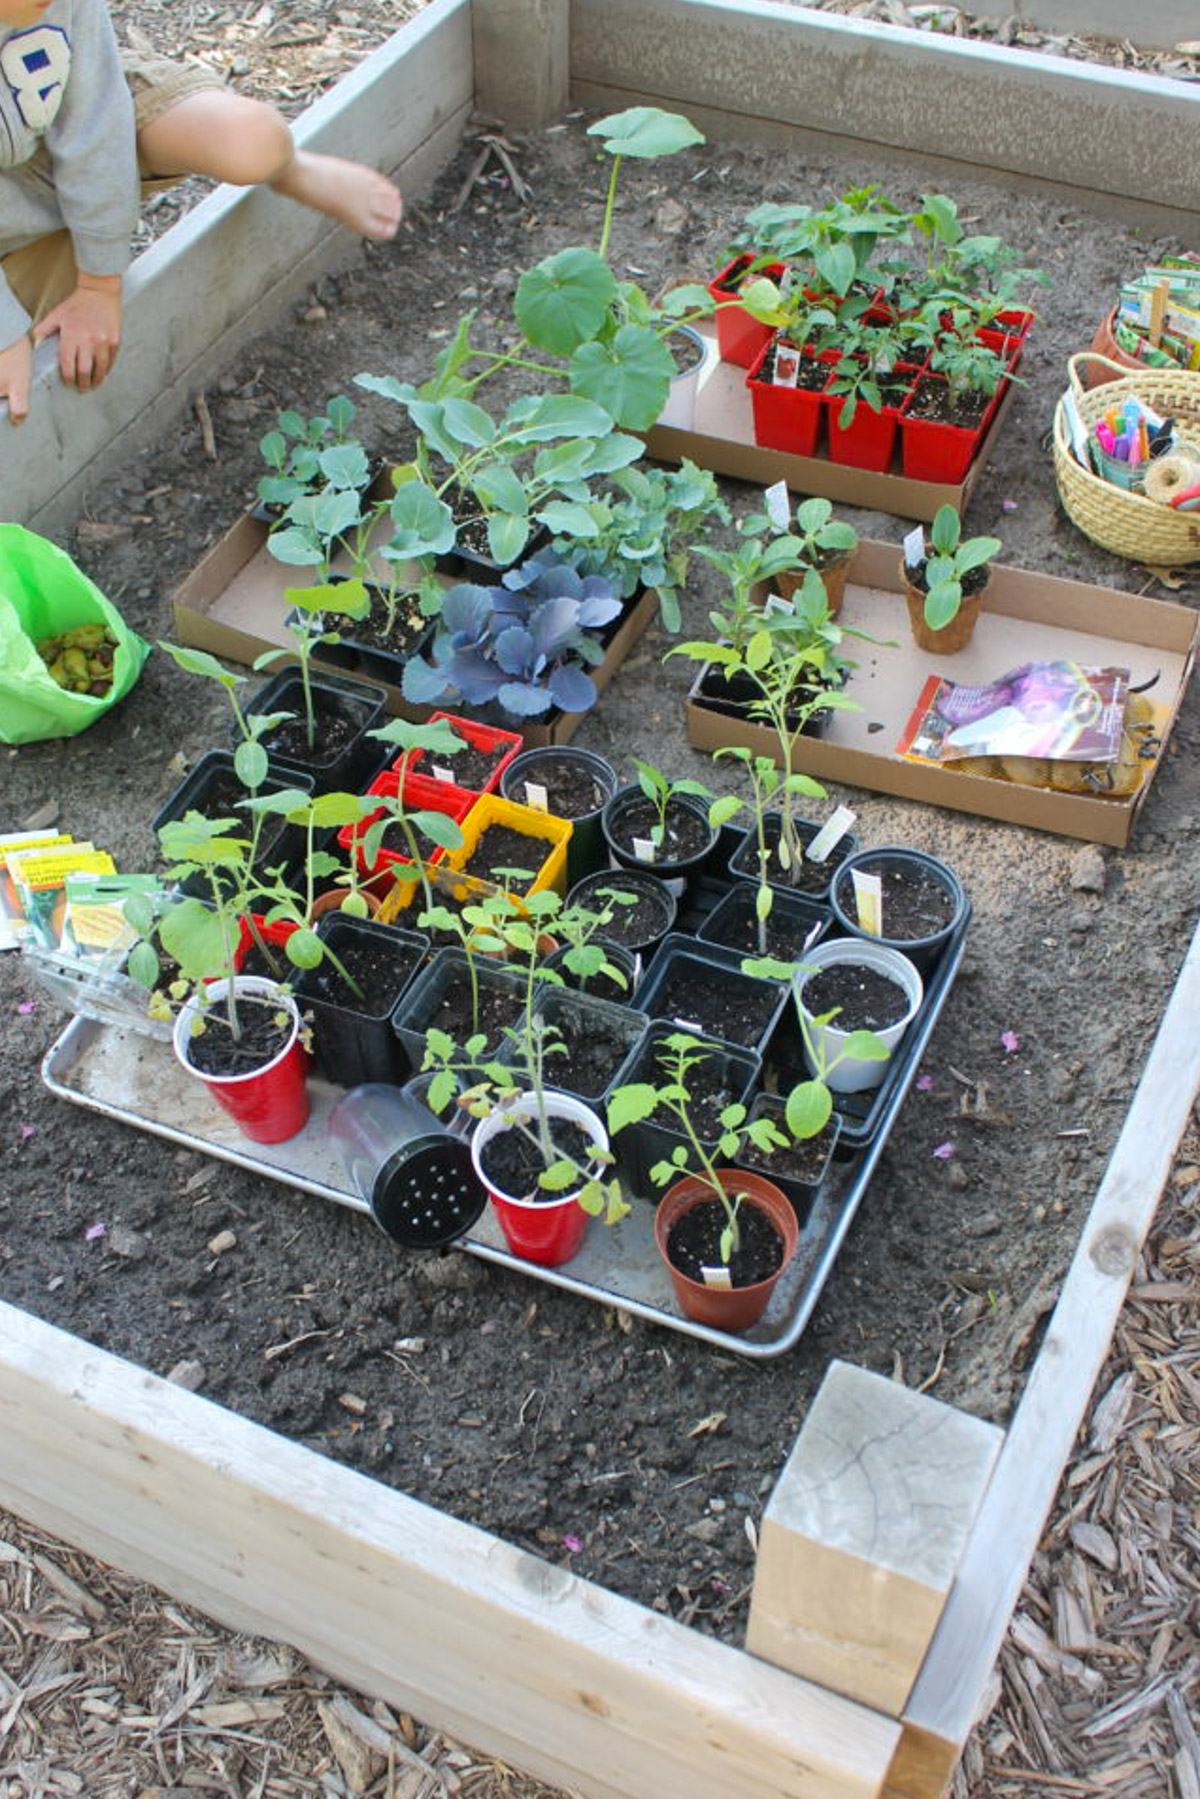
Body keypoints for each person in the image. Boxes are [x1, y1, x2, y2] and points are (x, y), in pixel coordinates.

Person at [0, 0, 402, 425]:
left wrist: (101, 284)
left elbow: (95, 128)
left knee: (252, 141)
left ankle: (290, 167)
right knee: (33, 379)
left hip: (49, 116)